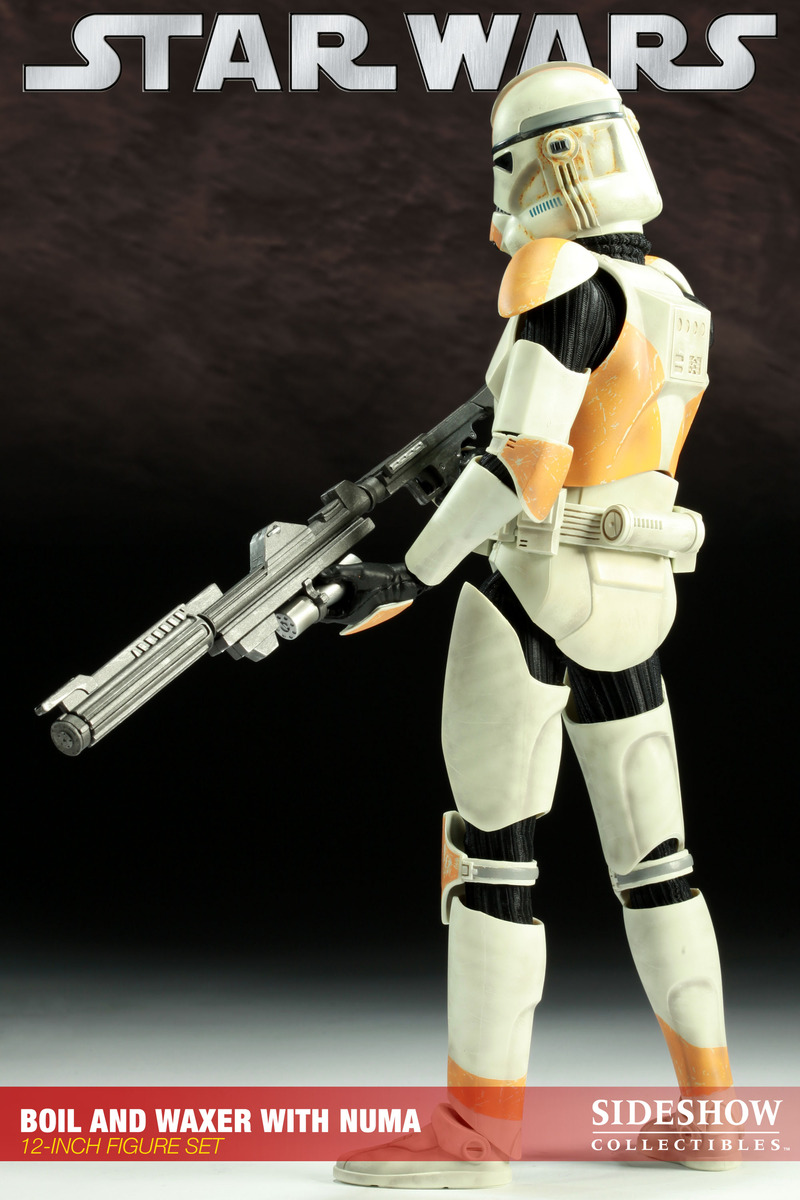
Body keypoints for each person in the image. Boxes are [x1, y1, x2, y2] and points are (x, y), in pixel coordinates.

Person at [325, 62, 734, 1187]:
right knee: (658, 862)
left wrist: (406, 573)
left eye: (505, 165)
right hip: (638, 592)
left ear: (550, 162)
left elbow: (524, 465)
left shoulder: (560, 281)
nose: (499, 194)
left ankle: (475, 1136)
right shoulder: (668, 289)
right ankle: (710, 1115)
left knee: (491, 860)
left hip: (533, 586)